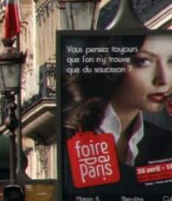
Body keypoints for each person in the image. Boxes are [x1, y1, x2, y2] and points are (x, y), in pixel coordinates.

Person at [62, 34, 172, 189]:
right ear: (109, 65)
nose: (164, 79)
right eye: (144, 61)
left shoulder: (165, 143)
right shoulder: (67, 134)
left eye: (171, 62)